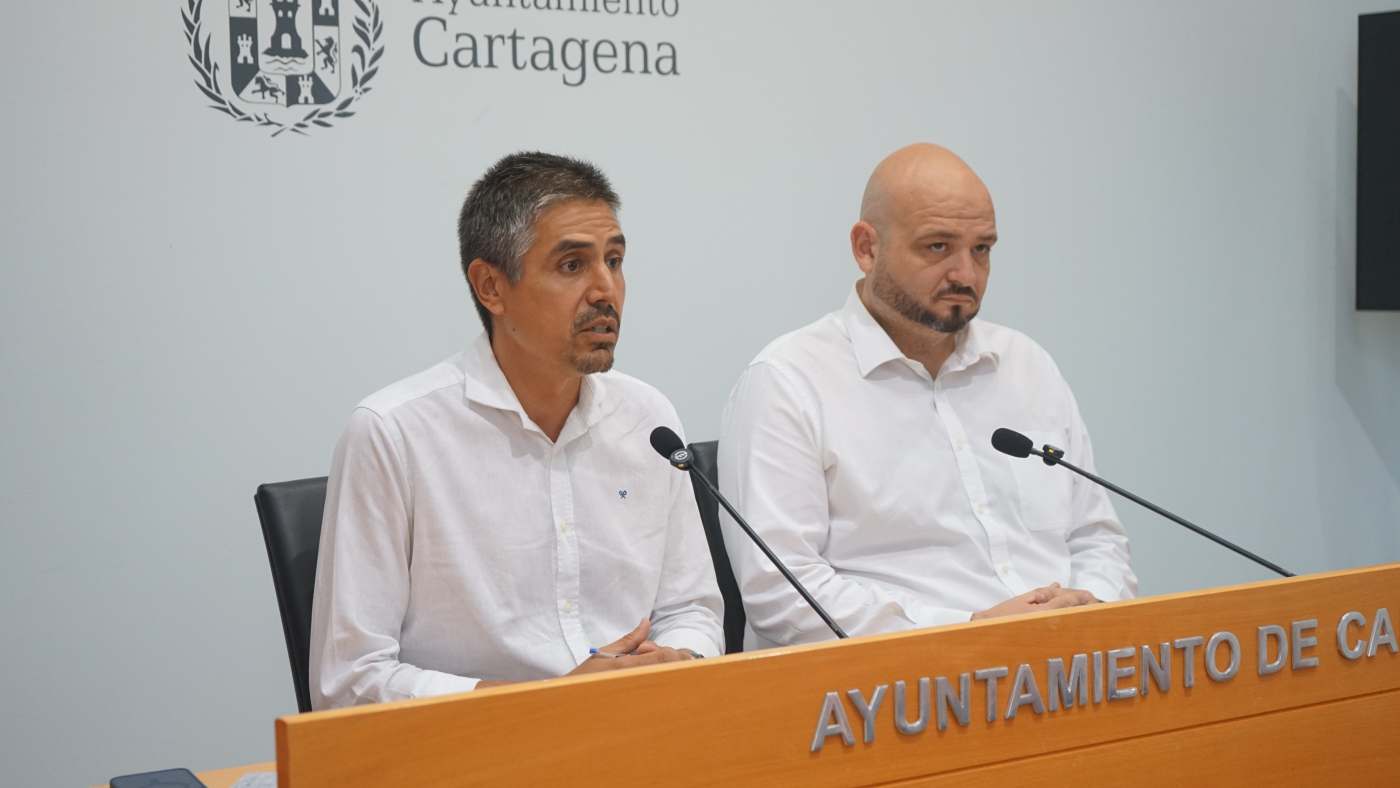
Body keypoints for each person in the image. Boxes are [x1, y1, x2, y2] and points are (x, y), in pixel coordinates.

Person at [309, 152, 723, 708]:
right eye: (572, 266)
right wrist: (541, 707)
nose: (606, 291)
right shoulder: (393, 434)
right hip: (473, 755)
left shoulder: (649, 419)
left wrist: (680, 659)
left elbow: (692, 610)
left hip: (640, 732)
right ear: (491, 287)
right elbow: (350, 679)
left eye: (615, 260)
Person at [719, 143, 1136, 649]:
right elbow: (782, 593)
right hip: (889, 695)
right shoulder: (788, 381)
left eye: (981, 249)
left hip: (1065, 672)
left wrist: (1090, 607)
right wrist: (968, 632)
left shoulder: (1028, 366)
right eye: (938, 247)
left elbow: (1095, 537)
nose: (966, 274)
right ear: (866, 248)